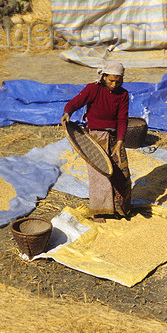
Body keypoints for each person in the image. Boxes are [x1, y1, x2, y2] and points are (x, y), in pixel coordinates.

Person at [61, 61, 131, 222]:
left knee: (121, 173)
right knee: (99, 175)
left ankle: (120, 210)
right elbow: (75, 102)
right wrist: (67, 112)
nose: (114, 84)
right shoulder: (93, 89)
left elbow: (122, 119)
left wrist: (120, 141)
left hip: (114, 139)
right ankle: (100, 212)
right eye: (111, 80)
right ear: (103, 76)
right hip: (95, 138)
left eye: (118, 81)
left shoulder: (123, 94)